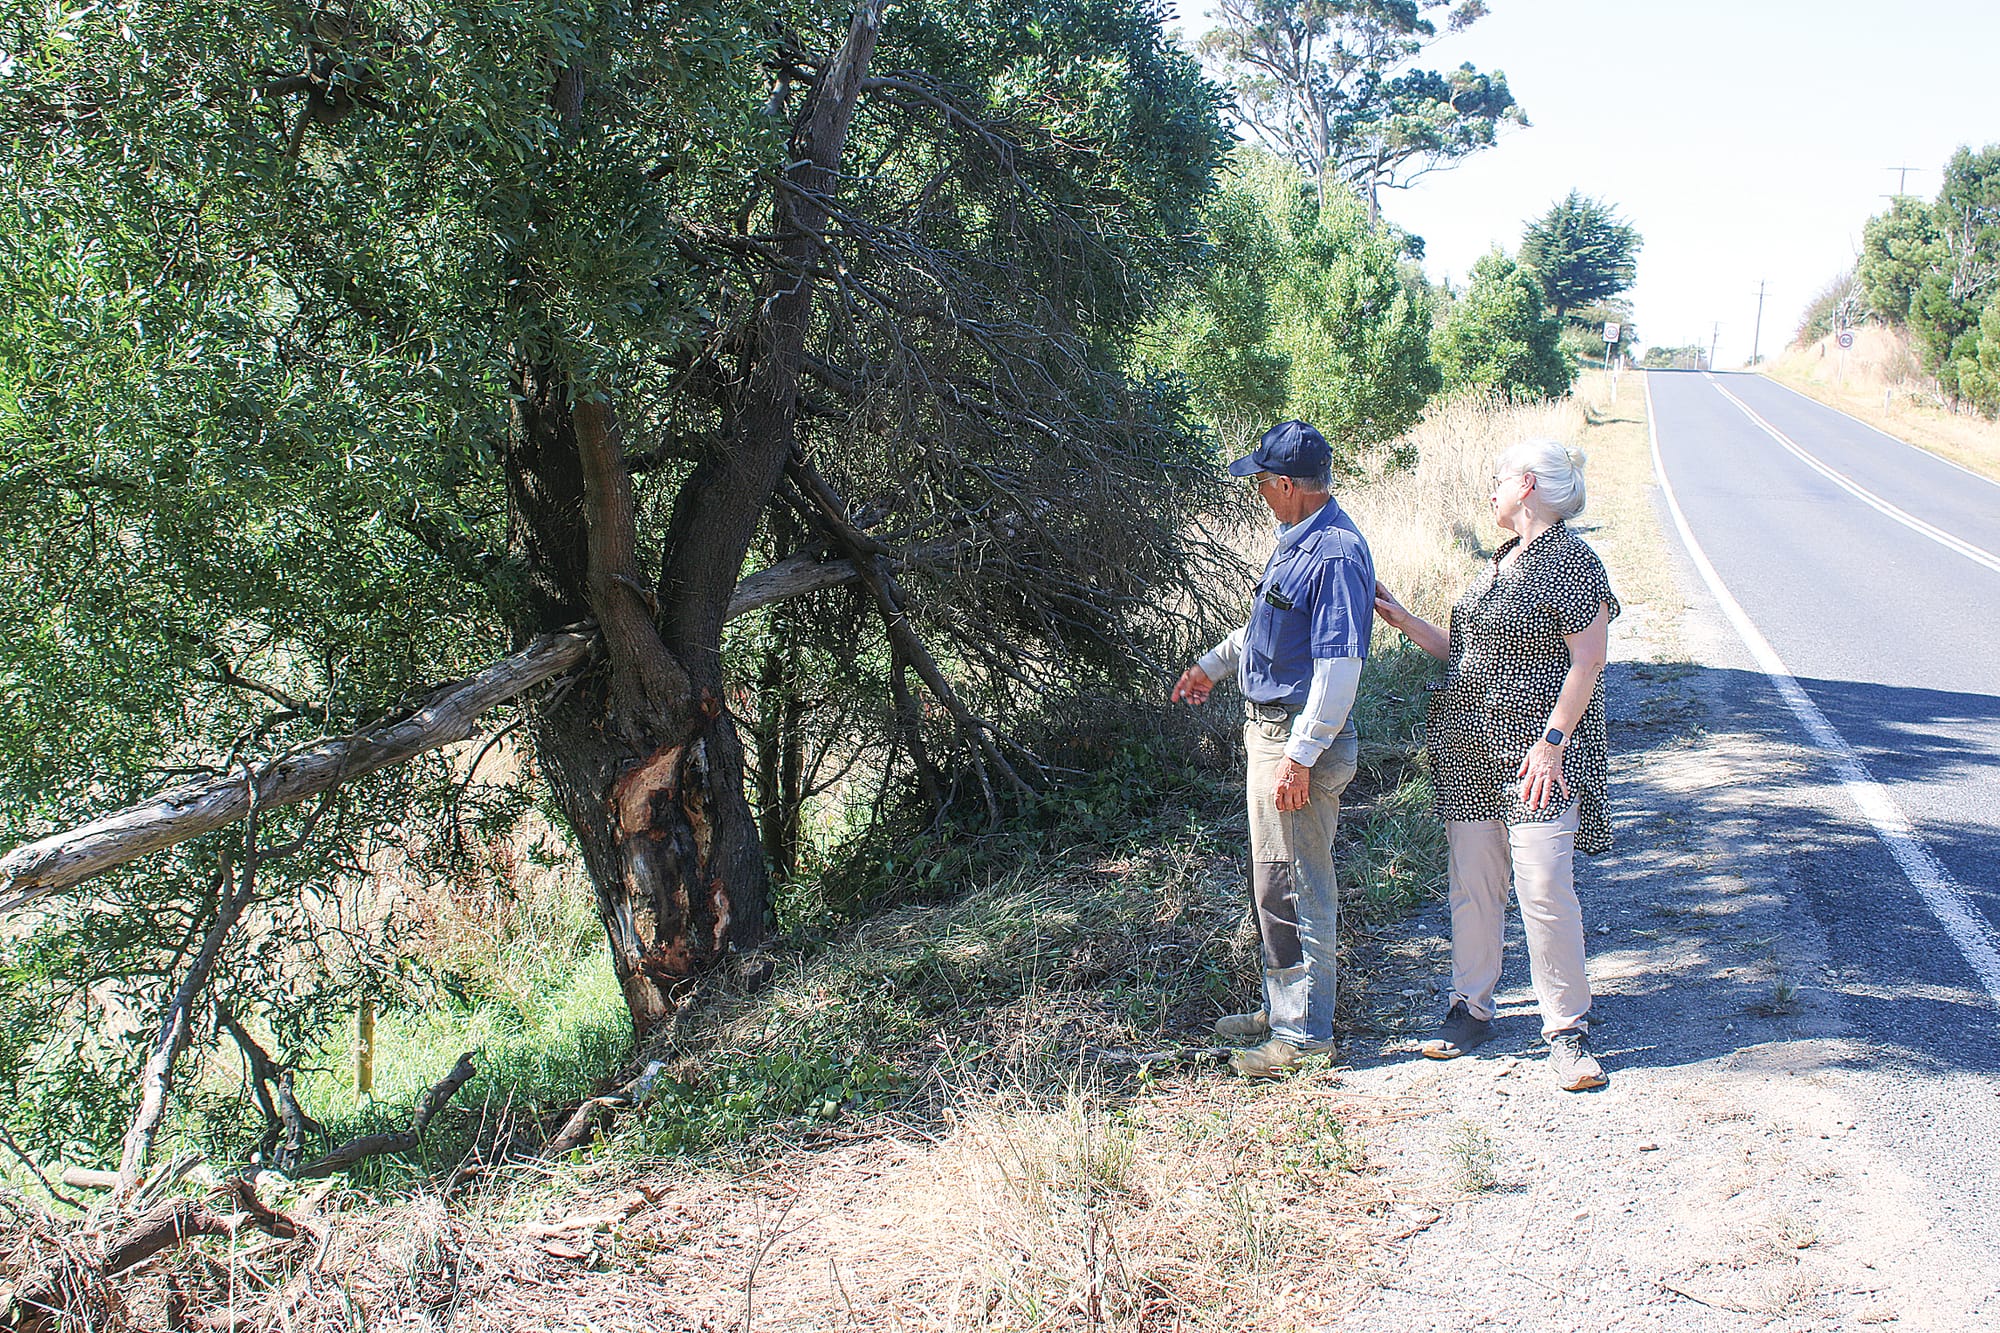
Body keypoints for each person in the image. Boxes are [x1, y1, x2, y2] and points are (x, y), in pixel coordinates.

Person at [1373, 438, 1618, 1092]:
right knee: (1475, 885)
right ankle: (1470, 1009)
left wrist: (1553, 740)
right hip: (1472, 755)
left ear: (1529, 485)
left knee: (1542, 888)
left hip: (1537, 758)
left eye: (1499, 479)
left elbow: (1588, 659)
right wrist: (1403, 619)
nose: (1491, 490)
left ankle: (1567, 1030)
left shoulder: (1570, 561)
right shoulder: (1502, 562)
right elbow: (1467, 653)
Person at [1171, 420, 1375, 1078]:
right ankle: (1283, 1008)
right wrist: (1211, 665)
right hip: (1274, 735)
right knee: (1274, 883)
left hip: (1295, 742)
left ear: (1288, 485)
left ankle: (1304, 1037)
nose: (1258, 490)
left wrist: (1301, 756)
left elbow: (1339, 667)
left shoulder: (1338, 552)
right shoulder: (1298, 541)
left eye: (1261, 480)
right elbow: (1265, 629)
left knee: (1298, 888)